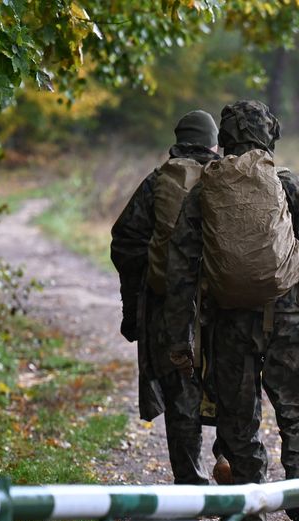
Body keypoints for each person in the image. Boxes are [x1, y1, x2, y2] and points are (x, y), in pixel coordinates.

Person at [165, 100, 299, 521]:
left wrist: (177, 336)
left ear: (224, 140)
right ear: (270, 137)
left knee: (238, 420)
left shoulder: (205, 191)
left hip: (230, 320)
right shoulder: (291, 186)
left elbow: (180, 270)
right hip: (290, 317)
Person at [109, 110, 225, 486]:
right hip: (228, 306)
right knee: (234, 390)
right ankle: (232, 468)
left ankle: (192, 483)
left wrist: (135, 305)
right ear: (214, 143)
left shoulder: (158, 181)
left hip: (170, 308)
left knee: (181, 394)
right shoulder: (231, 178)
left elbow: (125, 241)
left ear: (177, 141)